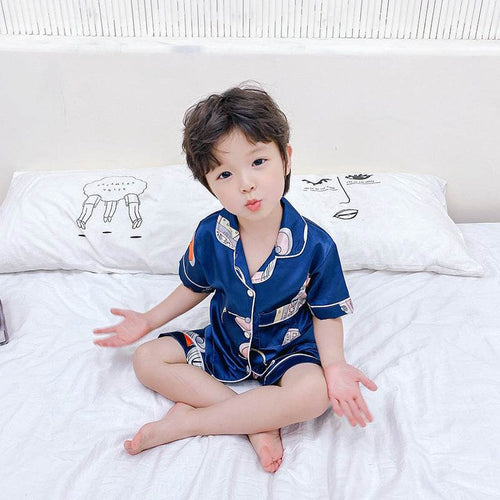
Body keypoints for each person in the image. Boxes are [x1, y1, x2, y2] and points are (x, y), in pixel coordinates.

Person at [93, 82, 377, 473]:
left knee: (315, 394)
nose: (246, 183)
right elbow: (195, 285)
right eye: (225, 173)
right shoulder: (211, 234)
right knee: (146, 358)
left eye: (258, 162)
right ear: (209, 185)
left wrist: (336, 366)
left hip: (290, 349)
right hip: (225, 342)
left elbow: (326, 314)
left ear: (286, 159)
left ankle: (189, 423)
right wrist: (148, 320)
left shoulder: (316, 245)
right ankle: (255, 423)